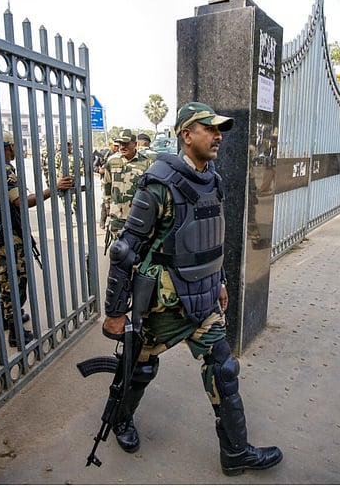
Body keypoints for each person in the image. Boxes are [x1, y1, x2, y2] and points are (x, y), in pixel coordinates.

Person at [102, 102, 282, 475]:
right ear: (187, 135)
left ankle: (235, 453)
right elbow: (124, 251)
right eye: (208, 129)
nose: (217, 136)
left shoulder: (213, 179)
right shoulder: (159, 183)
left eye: (219, 130)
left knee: (223, 369)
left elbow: (211, 240)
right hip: (162, 305)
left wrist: (220, 282)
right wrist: (116, 312)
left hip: (202, 299)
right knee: (139, 368)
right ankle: (119, 419)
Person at [0, 139, 73, 348]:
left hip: (7, 230)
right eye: (16, 145)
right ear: (9, 147)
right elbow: (20, 201)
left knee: (8, 276)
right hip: (8, 234)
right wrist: (53, 189)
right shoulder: (1, 169)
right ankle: (15, 331)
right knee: (14, 280)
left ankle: (10, 319)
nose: (19, 149)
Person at [102, 129, 154, 242]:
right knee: (117, 251)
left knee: (135, 251)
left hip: (136, 215)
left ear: (135, 144)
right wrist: (107, 205)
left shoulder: (146, 163)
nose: (122, 147)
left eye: (125, 143)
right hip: (117, 215)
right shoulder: (112, 162)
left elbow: (151, 191)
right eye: (120, 144)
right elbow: (106, 185)